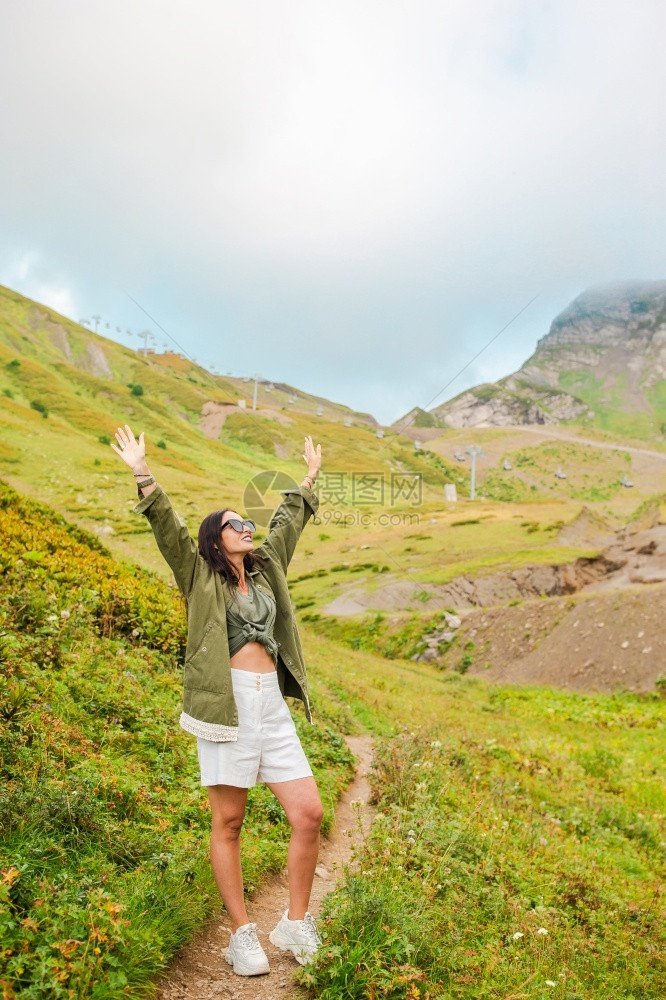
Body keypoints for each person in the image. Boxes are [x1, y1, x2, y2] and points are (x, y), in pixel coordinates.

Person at [111, 424, 324, 977]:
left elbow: (286, 524)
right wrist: (142, 473)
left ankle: (295, 922)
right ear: (215, 537)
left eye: (246, 522)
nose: (247, 527)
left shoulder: (266, 566)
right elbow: (170, 532)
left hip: (269, 706)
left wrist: (307, 479)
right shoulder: (199, 572)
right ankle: (240, 933)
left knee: (308, 814)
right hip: (224, 706)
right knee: (229, 822)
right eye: (235, 524)